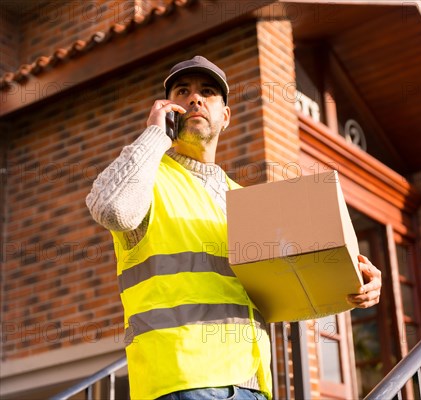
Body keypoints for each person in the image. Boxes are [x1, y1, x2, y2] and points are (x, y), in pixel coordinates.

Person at [86, 55, 382, 400]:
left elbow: (294, 286)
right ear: (166, 108)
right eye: (183, 91)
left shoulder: (243, 201)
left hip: (251, 383)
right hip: (181, 381)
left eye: (207, 92)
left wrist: (353, 287)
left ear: (225, 117)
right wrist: (155, 135)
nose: (195, 98)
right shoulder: (148, 178)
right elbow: (110, 209)